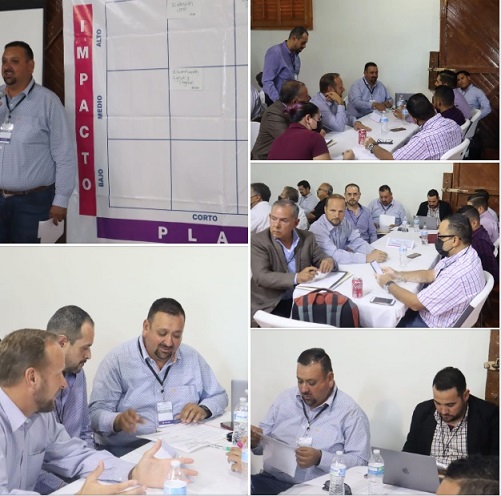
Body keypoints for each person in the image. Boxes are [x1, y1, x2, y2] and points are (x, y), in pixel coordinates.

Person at [0, 328, 196, 494]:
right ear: (32, 378)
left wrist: (134, 473)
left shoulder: (41, 416)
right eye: (58, 374)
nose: (64, 384)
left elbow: (75, 455)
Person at [89, 298, 228, 455]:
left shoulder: (191, 358)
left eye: (177, 335)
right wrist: (117, 420)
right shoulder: (118, 361)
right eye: (162, 333)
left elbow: (219, 396)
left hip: (179, 448)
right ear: (146, 327)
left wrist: (203, 409)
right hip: (127, 452)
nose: (169, 342)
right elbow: (94, 415)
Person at [250, 348, 370, 495]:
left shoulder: (351, 413)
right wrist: (256, 441)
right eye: (300, 381)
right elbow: (262, 443)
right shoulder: (285, 399)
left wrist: (320, 458)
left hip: (315, 489)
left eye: (311, 383)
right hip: (270, 481)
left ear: (330, 379)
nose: (303, 389)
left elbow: (360, 464)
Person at [0, 41, 76, 243]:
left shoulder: (48, 102)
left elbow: (65, 155)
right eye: (4, 61)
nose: (7, 67)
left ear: (31, 65)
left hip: (33, 203)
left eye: (14, 61)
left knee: (29, 259)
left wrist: (61, 200)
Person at [375, 214, 485, 328]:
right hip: (443, 314)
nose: (438, 240)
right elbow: (430, 274)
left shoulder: (456, 274)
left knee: (384, 321)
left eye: (441, 236)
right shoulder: (468, 254)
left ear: (455, 240)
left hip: (431, 325)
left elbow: (415, 304)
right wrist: (397, 274)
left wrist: (388, 283)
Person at [35, 306, 96, 494]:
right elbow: (32, 467)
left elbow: (85, 432)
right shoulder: (34, 386)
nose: (89, 355)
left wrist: (94, 473)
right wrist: (69, 489)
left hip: (77, 474)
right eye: (85, 347)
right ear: (62, 342)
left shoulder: (78, 373)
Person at [250, 199, 336, 326]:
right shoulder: (259, 241)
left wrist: (328, 261)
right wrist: (297, 277)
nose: (276, 225)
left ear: (296, 222)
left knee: (329, 317)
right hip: (271, 304)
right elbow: (261, 276)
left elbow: (320, 257)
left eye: (283, 220)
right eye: (273, 218)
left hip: (301, 297)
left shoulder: (307, 237)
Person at [403, 367, 499, 465]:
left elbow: (495, 462)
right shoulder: (422, 411)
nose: (443, 411)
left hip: (466, 474)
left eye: (450, 405)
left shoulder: (489, 415)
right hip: (427, 473)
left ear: (465, 395)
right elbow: (409, 451)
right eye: (438, 403)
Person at [364, 93, 462, 160]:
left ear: (414, 119)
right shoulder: (453, 124)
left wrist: (372, 146)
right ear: (432, 106)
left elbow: (392, 160)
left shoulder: (422, 140)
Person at [310, 194, 388, 264]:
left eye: (341, 211)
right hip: (323, 270)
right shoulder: (317, 228)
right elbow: (334, 255)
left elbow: (356, 241)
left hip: (342, 265)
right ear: (325, 209)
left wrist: (373, 251)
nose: (337, 215)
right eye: (333, 210)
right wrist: (366, 258)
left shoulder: (344, 222)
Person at [251, 80, 309, 160]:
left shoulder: (293, 109)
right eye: (306, 100)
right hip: (265, 160)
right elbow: (289, 140)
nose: (308, 101)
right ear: (295, 101)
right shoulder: (273, 114)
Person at [262, 27, 309, 105]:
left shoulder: (296, 56)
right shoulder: (275, 52)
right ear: (294, 38)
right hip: (275, 102)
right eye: (303, 43)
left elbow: (294, 78)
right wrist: (279, 103)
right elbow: (267, 81)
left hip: (289, 101)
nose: (304, 46)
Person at [457, 205, 498, 283]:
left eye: (462, 225)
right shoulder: (479, 231)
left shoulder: (479, 241)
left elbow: (487, 269)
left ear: (474, 223)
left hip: (483, 279)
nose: (459, 228)